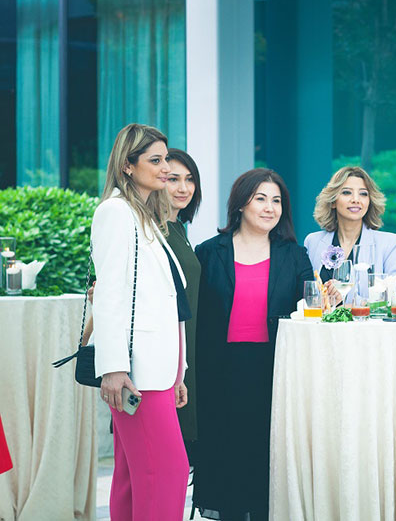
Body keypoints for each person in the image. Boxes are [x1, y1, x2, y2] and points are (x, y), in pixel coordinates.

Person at [192, 168, 314, 520]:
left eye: (276, 201)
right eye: (260, 199)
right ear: (241, 204)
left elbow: (311, 304)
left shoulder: (295, 255)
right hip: (220, 370)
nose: (269, 207)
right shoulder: (209, 252)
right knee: (225, 457)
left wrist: (328, 299)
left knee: (265, 459)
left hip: (273, 369)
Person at [93, 123, 190, 520]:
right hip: (137, 373)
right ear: (128, 166)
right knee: (167, 472)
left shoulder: (144, 216)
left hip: (157, 372)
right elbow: (110, 295)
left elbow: (165, 301)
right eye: (156, 160)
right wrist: (114, 368)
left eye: (166, 158)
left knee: (132, 478)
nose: (166, 167)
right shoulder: (116, 213)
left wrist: (179, 371)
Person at [304, 166, 396, 298]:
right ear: (332, 202)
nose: (356, 199)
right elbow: (307, 296)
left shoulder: (392, 244)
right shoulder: (312, 242)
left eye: (363, 194)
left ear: (370, 201)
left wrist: (345, 300)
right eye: (346, 192)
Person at [165, 148, 203, 464]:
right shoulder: (151, 230)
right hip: (161, 359)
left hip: (183, 356)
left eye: (189, 180)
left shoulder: (178, 227)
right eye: (173, 179)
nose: (183, 188)